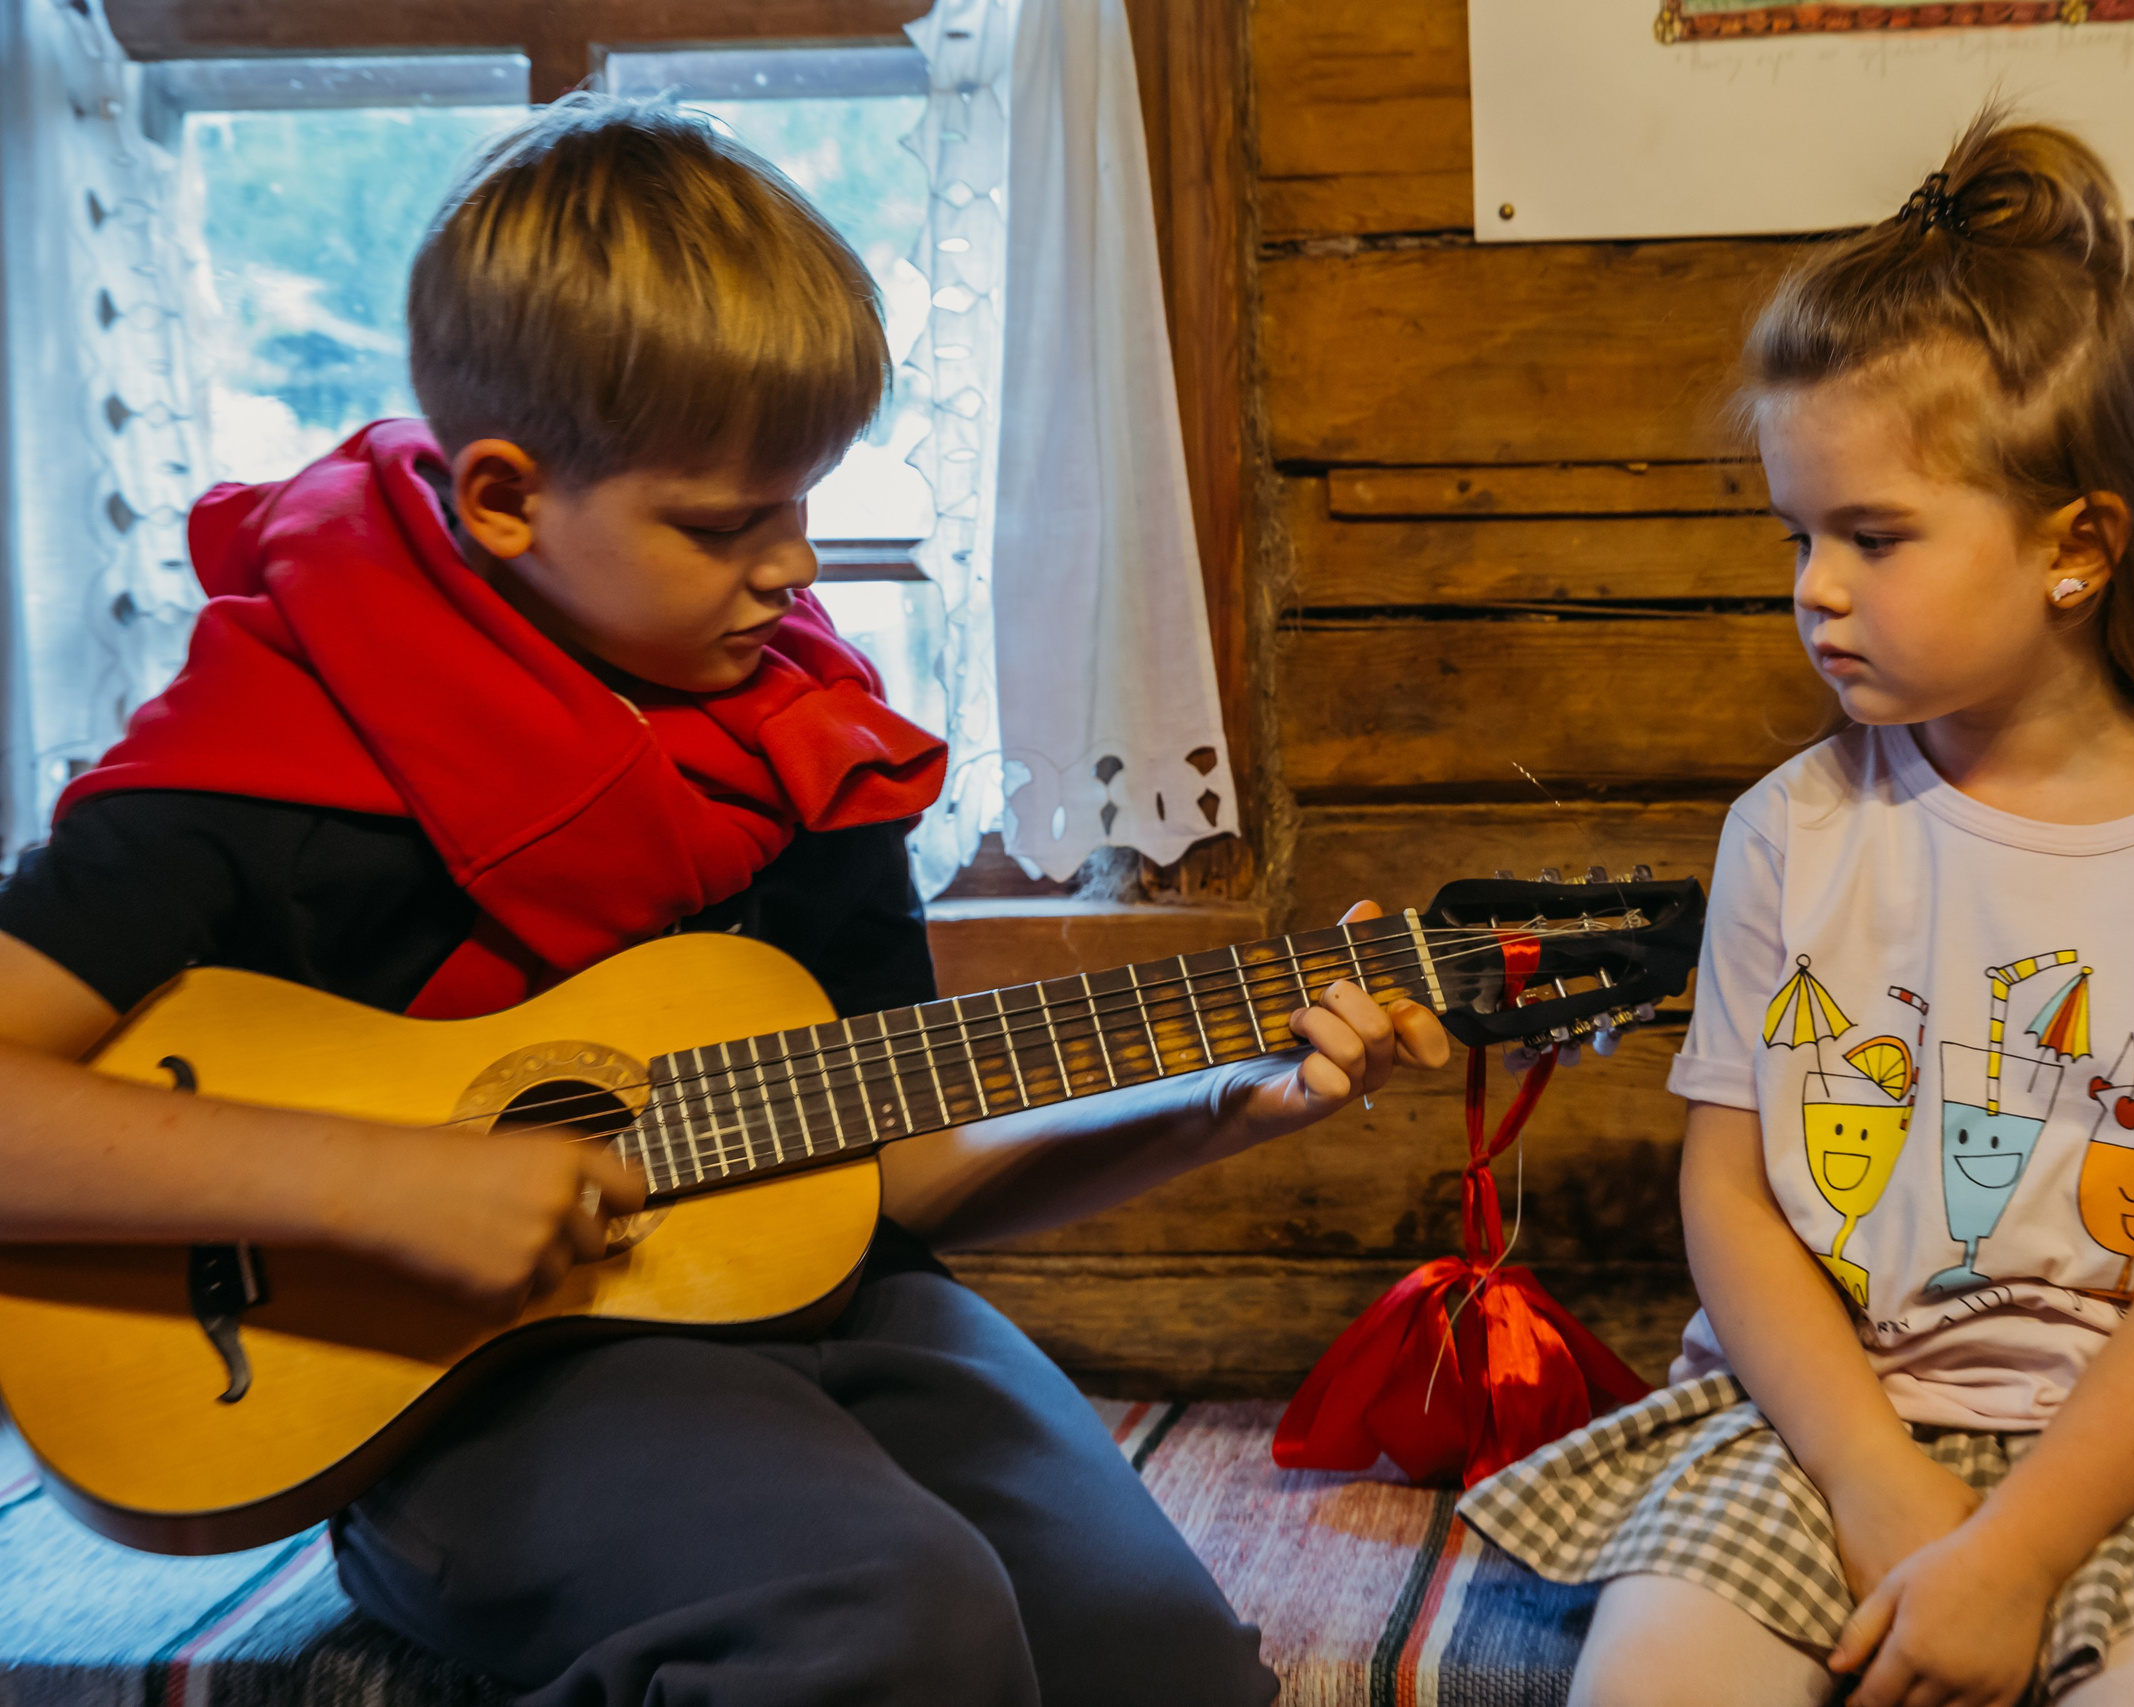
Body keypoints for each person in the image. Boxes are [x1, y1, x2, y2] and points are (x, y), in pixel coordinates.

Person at [0, 95, 1447, 1707]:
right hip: (449, 1390)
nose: (795, 571)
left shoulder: (802, 740)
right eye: (723, 524)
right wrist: (378, 1184)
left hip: (832, 1313)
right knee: (886, 1621)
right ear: (501, 498)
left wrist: (1209, 1111)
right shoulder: (269, 748)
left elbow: (902, 1169)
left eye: (806, 505)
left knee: (1156, 1660)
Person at [1457, 116, 2134, 1707]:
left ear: (2076, 549)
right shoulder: (1795, 832)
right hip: (1825, 1414)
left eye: (1874, 537)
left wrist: (2017, 1554)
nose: (1815, 586)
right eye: (1798, 535)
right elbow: (1738, 1198)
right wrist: (1874, 1476)